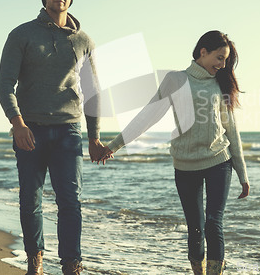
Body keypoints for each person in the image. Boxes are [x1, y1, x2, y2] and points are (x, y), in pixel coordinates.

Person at [102, 30, 250, 275]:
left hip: (218, 162)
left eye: (225, 60)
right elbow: (147, 116)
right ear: (203, 52)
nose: (222, 65)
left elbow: (231, 130)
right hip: (185, 165)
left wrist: (242, 174)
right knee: (196, 229)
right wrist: (114, 146)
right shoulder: (175, 80)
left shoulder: (219, 83)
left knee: (214, 223)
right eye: (219, 57)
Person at [0, 0, 110, 275]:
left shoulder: (83, 41)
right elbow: (4, 85)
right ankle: (35, 259)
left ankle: (71, 264)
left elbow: (93, 92)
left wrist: (95, 137)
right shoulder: (21, 35)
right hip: (30, 129)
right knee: (29, 198)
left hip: (69, 130)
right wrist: (18, 124)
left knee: (71, 201)